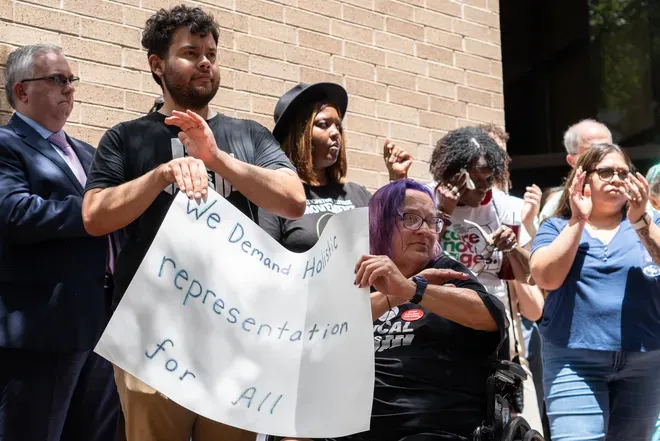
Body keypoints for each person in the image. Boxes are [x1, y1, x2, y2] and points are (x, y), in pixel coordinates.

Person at [81, 5, 305, 441]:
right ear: (156, 65)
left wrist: (216, 158)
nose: (205, 61)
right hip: (151, 338)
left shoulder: (249, 135)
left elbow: (293, 200)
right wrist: (163, 174)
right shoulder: (126, 137)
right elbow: (94, 216)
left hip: (235, 334)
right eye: (190, 52)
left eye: (211, 53)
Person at [0, 44, 119, 441]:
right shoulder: (6, 145)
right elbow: (15, 212)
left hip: (100, 326)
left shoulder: (88, 153)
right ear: (21, 92)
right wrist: (91, 211)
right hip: (43, 331)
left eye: (71, 80)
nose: (69, 89)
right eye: (57, 80)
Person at [530, 143, 660, 440]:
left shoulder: (651, 223)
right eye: (605, 171)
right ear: (583, 177)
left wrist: (641, 222)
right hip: (573, 361)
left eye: (623, 172)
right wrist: (578, 220)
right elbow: (545, 277)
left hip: (644, 363)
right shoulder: (556, 226)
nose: (616, 178)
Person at [430, 126, 544, 432]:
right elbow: (413, 262)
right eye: (474, 180)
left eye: (488, 180)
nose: (483, 189)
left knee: (500, 421)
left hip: (496, 337)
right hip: (441, 329)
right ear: (453, 173)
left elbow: (529, 278)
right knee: (451, 419)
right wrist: (442, 212)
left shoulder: (506, 207)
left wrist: (513, 247)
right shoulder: (426, 199)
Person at [259, 82, 412, 251]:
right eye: (323, 124)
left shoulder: (358, 194)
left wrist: (398, 181)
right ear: (298, 135)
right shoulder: (277, 197)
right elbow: (266, 261)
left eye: (338, 126)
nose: (335, 133)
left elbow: (395, 241)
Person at [539, 119, 612, 222]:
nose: (602, 156)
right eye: (592, 151)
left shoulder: (633, 198)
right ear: (572, 161)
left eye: (608, 149)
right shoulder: (555, 207)